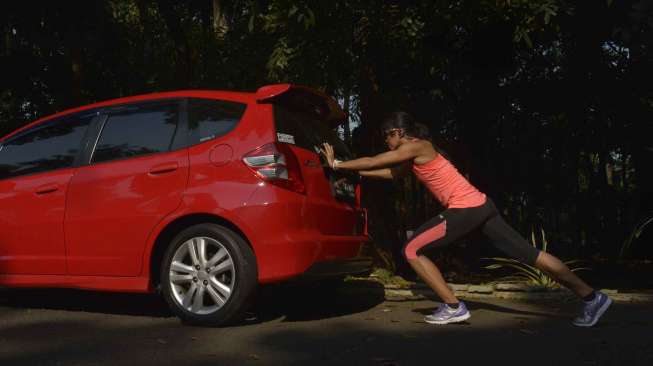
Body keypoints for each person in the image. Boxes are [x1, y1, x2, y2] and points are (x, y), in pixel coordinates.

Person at [320, 111, 612, 326]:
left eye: (387, 136)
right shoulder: (414, 155)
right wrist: (349, 171)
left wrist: (338, 163)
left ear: (398, 132)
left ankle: (453, 306)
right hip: (482, 206)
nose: (386, 141)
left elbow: (375, 161)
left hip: (466, 209)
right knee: (530, 254)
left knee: (411, 249)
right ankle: (592, 297)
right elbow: (385, 172)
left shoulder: (418, 144)